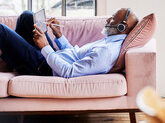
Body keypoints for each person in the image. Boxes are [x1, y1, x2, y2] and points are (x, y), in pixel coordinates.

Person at [0, 8, 138, 78]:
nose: (108, 20)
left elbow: (70, 71)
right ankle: (9, 62)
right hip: (55, 57)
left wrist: (45, 47)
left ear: (122, 27)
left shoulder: (107, 52)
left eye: (113, 18)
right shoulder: (109, 40)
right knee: (27, 17)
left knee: (1, 30)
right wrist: (59, 36)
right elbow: (75, 55)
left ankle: (9, 63)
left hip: (46, 68)